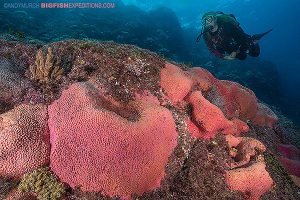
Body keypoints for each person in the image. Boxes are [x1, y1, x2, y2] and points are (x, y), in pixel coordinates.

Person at [196, 11, 272, 60]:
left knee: (255, 53)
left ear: (215, 19)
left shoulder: (227, 25)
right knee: (242, 57)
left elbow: (241, 38)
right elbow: (211, 49)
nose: (207, 22)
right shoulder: (206, 35)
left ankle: (253, 39)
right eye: (204, 21)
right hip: (227, 47)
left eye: (209, 19)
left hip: (238, 41)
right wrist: (224, 57)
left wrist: (236, 50)